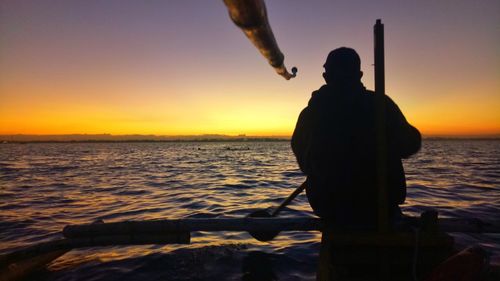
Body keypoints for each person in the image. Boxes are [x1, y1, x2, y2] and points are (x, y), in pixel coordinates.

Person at [291, 47, 421, 228]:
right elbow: (411, 144)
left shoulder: (311, 112)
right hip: (378, 207)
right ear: (359, 74)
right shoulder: (381, 105)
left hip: (331, 208)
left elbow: (304, 161)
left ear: (326, 76)